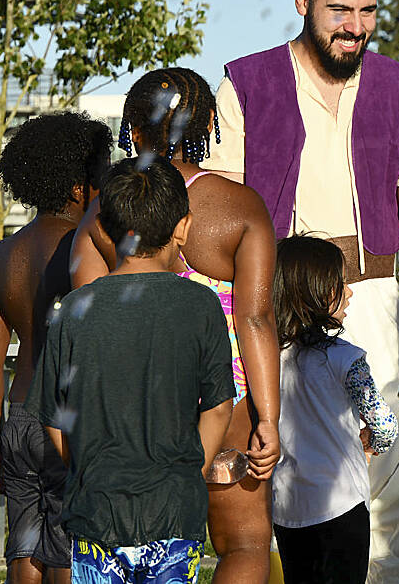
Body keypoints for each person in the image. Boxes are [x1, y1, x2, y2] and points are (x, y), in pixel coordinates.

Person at [203, 0, 399, 584]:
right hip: (278, 308)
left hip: (374, 299)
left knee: (395, 486)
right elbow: (217, 217)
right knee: (295, 488)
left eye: (367, 10)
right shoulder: (247, 83)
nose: (355, 26)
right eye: (340, 8)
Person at [71, 68, 281, 584]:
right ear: (209, 121)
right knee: (245, 543)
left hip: (129, 403)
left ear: (133, 129)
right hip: (222, 393)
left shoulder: (104, 211)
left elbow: (86, 313)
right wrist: (268, 419)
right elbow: (256, 318)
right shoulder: (242, 206)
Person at [27, 156, 236, 584]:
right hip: (175, 511)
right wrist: (189, 473)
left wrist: (86, 467)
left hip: (95, 510)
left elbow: (54, 419)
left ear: (103, 229)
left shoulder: (74, 310)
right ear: (183, 227)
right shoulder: (201, 305)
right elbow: (217, 407)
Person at [0, 111, 112, 584]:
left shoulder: (4, 255)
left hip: (18, 417)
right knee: (66, 549)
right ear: (78, 188)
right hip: (68, 420)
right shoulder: (86, 250)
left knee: (24, 546)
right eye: (100, 179)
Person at [270, 234, 399, 584]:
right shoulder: (347, 359)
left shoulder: (267, 360)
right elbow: (385, 425)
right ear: (315, 292)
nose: (351, 291)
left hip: (287, 507)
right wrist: (372, 442)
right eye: (340, 283)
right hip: (343, 505)